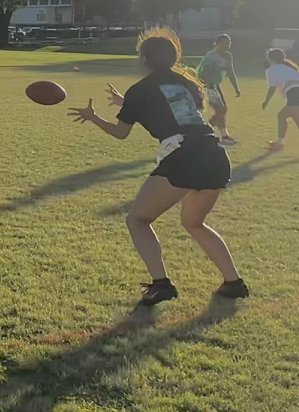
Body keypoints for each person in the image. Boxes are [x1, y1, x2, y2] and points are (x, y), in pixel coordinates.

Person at [68, 29, 248, 306]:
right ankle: (234, 283)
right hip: (214, 153)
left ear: (144, 59)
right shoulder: (186, 82)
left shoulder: (140, 90)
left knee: (137, 219)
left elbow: (120, 133)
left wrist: (93, 117)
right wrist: (126, 103)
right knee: (194, 223)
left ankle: (161, 284)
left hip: (185, 155)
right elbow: (173, 109)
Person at [195, 34, 241, 146]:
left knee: (222, 110)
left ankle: (205, 133)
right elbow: (205, 73)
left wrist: (236, 88)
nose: (227, 45)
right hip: (207, 85)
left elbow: (230, 72)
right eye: (225, 43)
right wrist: (204, 87)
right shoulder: (211, 56)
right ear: (217, 43)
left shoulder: (228, 56)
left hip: (215, 85)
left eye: (229, 42)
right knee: (221, 109)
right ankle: (222, 135)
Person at [262, 48, 299, 152]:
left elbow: (272, 88)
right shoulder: (291, 68)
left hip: (294, 95)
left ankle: (279, 144)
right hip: (297, 94)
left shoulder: (272, 70)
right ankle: (279, 143)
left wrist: (266, 103)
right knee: (281, 116)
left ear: (270, 59)